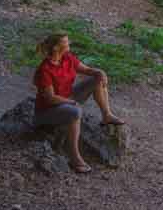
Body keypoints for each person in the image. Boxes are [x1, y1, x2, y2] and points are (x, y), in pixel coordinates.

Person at [32, 33, 125, 173]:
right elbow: (50, 98)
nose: (69, 43)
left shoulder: (67, 58)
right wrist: (72, 102)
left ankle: (107, 115)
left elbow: (87, 70)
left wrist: (100, 72)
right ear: (57, 47)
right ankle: (74, 156)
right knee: (75, 112)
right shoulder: (44, 69)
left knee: (97, 79)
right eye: (66, 42)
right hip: (47, 110)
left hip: (67, 98)